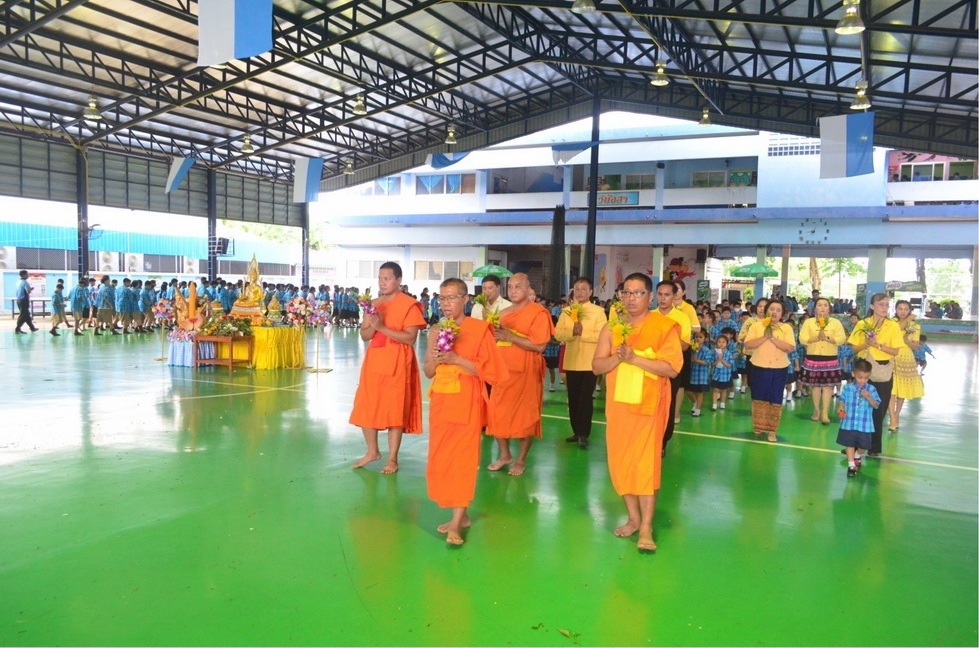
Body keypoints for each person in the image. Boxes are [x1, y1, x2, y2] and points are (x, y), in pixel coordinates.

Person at [592, 272, 682, 552]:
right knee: (622, 464)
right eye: (626, 293)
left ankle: (646, 527)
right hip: (619, 407)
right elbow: (597, 366)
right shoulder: (612, 328)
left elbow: (671, 368)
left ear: (650, 296)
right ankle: (633, 518)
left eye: (638, 293)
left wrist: (634, 358)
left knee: (644, 468)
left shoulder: (663, 327)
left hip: (648, 408)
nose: (631, 298)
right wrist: (617, 359)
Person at [422, 278, 509, 546]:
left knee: (462, 460)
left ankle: (456, 522)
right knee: (443, 459)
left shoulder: (479, 330)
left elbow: (493, 373)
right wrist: (437, 358)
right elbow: (428, 371)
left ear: (465, 299)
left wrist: (457, 359)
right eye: (442, 298)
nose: (446, 304)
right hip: (441, 401)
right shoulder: (436, 330)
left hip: (467, 402)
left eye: (451, 298)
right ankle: (462, 514)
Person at [349, 262, 427, 474]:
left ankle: (392, 458)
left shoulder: (409, 305)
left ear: (398, 280)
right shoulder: (373, 304)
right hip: (374, 361)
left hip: (398, 362)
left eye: (387, 278)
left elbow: (410, 338)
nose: (382, 282)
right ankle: (372, 451)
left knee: (395, 409)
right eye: (380, 278)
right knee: (366, 404)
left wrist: (382, 327)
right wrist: (374, 327)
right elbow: (364, 335)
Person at [485, 273, 554, 476]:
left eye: (518, 286)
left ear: (528, 289)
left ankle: (521, 459)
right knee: (496, 413)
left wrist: (511, 336)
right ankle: (505, 455)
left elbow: (540, 346)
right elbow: (494, 340)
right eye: (510, 287)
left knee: (525, 418)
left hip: (526, 373)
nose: (513, 290)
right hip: (503, 371)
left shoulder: (538, 313)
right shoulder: (503, 313)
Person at [554, 277, 608, 449]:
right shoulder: (566, 311)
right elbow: (558, 334)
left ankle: (584, 433)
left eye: (584, 289)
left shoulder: (598, 312)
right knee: (573, 399)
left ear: (590, 292)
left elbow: (602, 335)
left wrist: (582, 333)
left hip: (589, 362)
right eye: (577, 289)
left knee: (585, 399)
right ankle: (576, 431)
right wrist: (572, 333)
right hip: (571, 361)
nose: (580, 292)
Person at [847, 293, 901, 458]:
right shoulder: (863, 324)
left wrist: (878, 345)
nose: (884, 308)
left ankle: (874, 446)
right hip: (864, 369)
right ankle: (856, 445)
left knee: (878, 409)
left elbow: (895, 351)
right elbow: (853, 348)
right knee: (859, 408)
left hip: (883, 370)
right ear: (872, 306)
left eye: (887, 305)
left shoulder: (892, 326)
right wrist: (867, 344)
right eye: (881, 304)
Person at [743, 300, 795, 442]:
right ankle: (759, 426)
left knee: (775, 398)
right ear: (766, 311)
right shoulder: (756, 326)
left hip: (779, 368)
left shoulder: (786, 328)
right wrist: (764, 337)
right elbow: (748, 345)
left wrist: (771, 338)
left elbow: (789, 347)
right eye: (772, 309)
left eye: (778, 310)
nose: (774, 312)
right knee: (758, 397)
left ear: (782, 314)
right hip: (759, 366)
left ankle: (772, 431)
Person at [653, 281, 690, 455]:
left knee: (667, 405)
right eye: (660, 294)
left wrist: (666, 341)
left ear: (674, 296)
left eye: (667, 295)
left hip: (671, 368)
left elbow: (685, 345)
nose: (663, 298)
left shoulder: (682, 318)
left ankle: (662, 442)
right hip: (651, 367)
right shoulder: (650, 316)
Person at [799, 298, 847, 424]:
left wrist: (827, 338)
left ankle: (825, 412)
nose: (822, 307)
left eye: (825, 305)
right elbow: (802, 339)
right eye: (819, 305)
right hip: (813, 357)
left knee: (828, 387)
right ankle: (816, 410)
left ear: (829, 308)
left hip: (829, 358)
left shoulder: (835, 323)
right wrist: (816, 338)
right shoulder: (809, 322)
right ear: (815, 308)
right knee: (815, 387)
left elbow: (841, 339)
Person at [836, 359, 880, 478]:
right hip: (849, 423)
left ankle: (857, 455)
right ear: (853, 374)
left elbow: (876, 405)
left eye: (866, 378)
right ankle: (851, 466)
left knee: (864, 446)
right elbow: (842, 401)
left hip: (864, 425)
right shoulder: (847, 388)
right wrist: (840, 408)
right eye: (860, 377)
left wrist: (869, 397)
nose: (862, 380)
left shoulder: (871, 389)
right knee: (849, 444)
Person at [889, 300, 924, 432]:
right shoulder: (891, 322)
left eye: (906, 309)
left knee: (901, 389)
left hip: (905, 358)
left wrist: (906, 341)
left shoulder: (915, 326)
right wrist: (907, 320)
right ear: (895, 309)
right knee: (891, 389)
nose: (903, 311)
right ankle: (892, 417)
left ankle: (896, 414)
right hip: (891, 355)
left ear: (909, 310)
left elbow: (916, 346)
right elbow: (893, 332)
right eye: (900, 308)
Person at [687, 330, 713, 416]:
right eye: (696, 337)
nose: (698, 339)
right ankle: (695, 403)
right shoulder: (692, 349)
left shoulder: (707, 350)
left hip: (702, 376)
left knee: (699, 393)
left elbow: (707, 362)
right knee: (689, 391)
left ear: (705, 339)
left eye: (701, 337)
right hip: (692, 375)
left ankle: (698, 410)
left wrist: (696, 360)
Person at [710, 333, 735, 410]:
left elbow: (730, 365)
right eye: (719, 342)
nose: (721, 344)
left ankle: (722, 403)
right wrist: (718, 360)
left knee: (724, 390)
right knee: (716, 390)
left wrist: (722, 360)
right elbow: (712, 364)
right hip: (716, 375)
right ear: (716, 343)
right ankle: (714, 404)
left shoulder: (728, 353)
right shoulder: (714, 353)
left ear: (727, 344)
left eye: (723, 342)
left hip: (725, 376)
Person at [13, 270, 37, 334]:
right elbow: (28, 291)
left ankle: (32, 328)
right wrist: (30, 289)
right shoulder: (25, 282)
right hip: (24, 300)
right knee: (23, 315)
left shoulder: (18, 282)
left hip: (19, 300)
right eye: (27, 274)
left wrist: (29, 289)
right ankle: (17, 329)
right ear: (24, 275)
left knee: (27, 315)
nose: (28, 275)